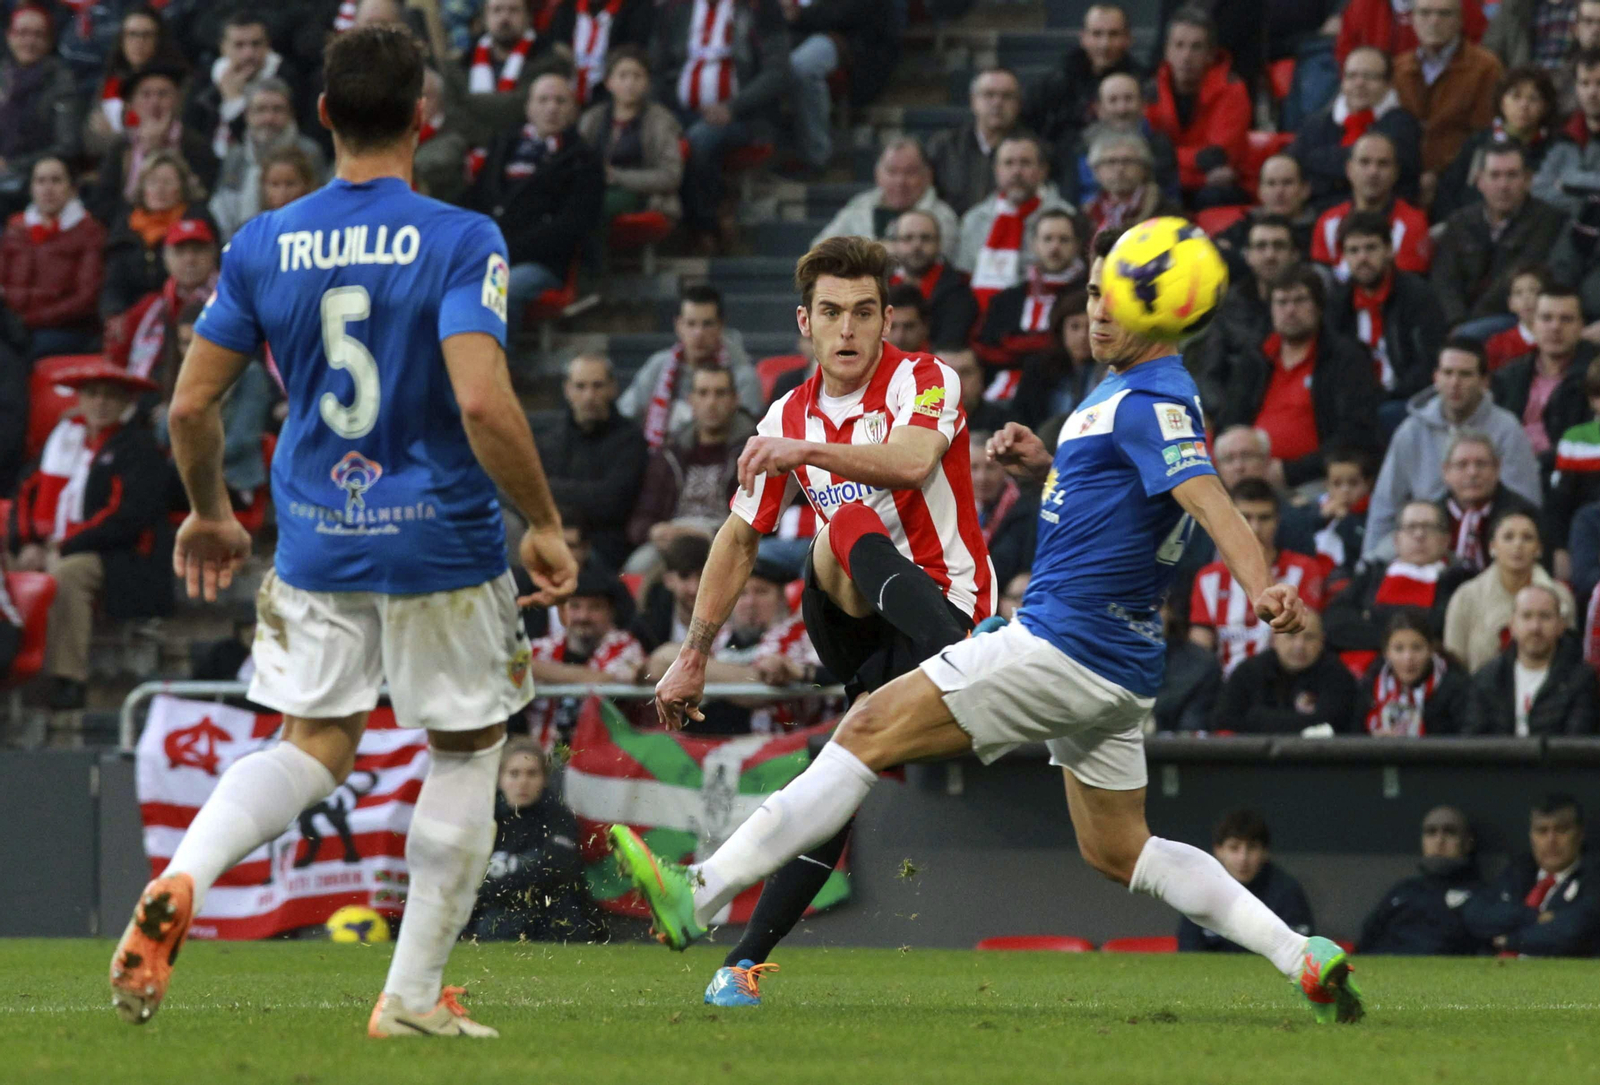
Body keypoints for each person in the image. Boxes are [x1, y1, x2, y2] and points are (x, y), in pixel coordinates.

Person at [614, 227, 1366, 1027]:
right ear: (806, 321)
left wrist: (1262, 584)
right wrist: (1049, 471)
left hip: (1051, 641)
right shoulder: (1124, 395)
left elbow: (1207, 495)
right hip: (1119, 666)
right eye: (1091, 295)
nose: (1097, 313)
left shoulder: (1142, 399)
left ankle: (701, 890)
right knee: (1119, 848)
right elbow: (1123, 503)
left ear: (1162, 310)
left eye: (1116, 299)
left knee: (860, 730)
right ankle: (1300, 952)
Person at [107, 26, 580, 1037]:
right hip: (442, 540)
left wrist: (210, 511)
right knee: (467, 747)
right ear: (424, 117)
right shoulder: (462, 237)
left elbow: (189, 407)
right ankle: (409, 997)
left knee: (313, 743)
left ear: (322, 115)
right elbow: (482, 400)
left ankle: (184, 873)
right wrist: (541, 520)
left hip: (318, 536)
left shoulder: (261, 243)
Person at [645, 236, 996, 1006]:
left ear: (887, 319)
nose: (848, 329)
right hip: (859, 619)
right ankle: (967, 660)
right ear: (805, 322)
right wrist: (694, 652)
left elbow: (910, 463)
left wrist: (805, 449)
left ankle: (739, 962)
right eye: (831, 312)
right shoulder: (786, 413)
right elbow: (739, 536)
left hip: (946, 604)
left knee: (840, 768)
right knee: (836, 537)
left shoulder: (924, 379)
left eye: (864, 312)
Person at [7, 359, 171, 714]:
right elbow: (27, 491)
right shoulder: (63, 441)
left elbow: (125, 518)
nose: (100, 403)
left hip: (122, 557)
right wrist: (28, 542)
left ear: (126, 403)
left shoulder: (138, 447)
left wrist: (64, 546)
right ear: (79, 399)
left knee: (68, 573)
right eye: (92, 394)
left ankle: (68, 680)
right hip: (56, 546)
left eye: (110, 396)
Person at [1364, 343, 1542, 564]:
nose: (1455, 383)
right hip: (1421, 540)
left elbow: (1525, 504)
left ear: (1484, 381)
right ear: (1436, 377)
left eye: (1465, 374)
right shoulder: (1411, 431)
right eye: (1448, 373)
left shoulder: (1507, 429)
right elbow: (1385, 505)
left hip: (1492, 543)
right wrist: (1367, 565)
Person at [1214, 266, 1382, 489]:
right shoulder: (1256, 357)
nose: (1290, 310)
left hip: (1317, 479)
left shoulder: (1346, 358)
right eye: (1282, 302)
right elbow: (1231, 419)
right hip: (1248, 477)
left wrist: (1289, 472)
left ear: (1319, 307)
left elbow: (1355, 433)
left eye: (1300, 300)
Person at [467, 69, 604, 341]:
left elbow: (569, 227)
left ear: (574, 110)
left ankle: (495, 367)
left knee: (497, 292)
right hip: (489, 254)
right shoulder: (503, 144)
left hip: (541, 263)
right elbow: (477, 199)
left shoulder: (584, 160)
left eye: (560, 101)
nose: (551, 108)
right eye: (543, 100)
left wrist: (505, 250)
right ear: (528, 107)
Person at [651, 0, 789, 249]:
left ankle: (705, 226)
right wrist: (663, 112)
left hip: (744, 116)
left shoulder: (761, 8)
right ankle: (687, 222)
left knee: (699, 139)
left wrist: (732, 107)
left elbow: (777, 72)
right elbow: (656, 67)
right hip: (679, 111)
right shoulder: (675, 9)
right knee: (656, 136)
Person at [466, 739, 605, 943]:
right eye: (514, 774)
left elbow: (558, 868)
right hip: (497, 913)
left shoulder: (559, 818)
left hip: (552, 915)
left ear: (545, 779)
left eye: (532, 774)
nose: (523, 782)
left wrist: (493, 882)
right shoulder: (484, 819)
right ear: (500, 778)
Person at [1189, 478, 1327, 676]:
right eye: (1245, 517)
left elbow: (1303, 636)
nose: (1254, 528)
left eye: (1264, 518)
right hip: (1222, 685)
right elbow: (1199, 649)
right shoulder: (1208, 578)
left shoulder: (1304, 570)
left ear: (1277, 521)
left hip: (1282, 680)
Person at [1431, 142, 1569, 329]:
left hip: (1512, 318)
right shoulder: (1460, 221)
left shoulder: (1548, 220)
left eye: (1512, 175)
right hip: (1459, 322)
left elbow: (1515, 276)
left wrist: (1469, 327)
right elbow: (1444, 279)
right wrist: (1456, 321)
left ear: (1527, 180)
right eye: (1494, 175)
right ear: (1479, 181)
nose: (1503, 185)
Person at [625, 365, 757, 561]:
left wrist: (709, 534)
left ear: (735, 400)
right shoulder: (669, 452)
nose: (711, 403)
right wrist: (654, 531)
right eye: (703, 393)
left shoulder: (754, 450)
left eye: (720, 393)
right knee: (638, 565)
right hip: (672, 541)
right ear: (690, 400)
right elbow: (641, 517)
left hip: (726, 541)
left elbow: (757, 519)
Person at [536, 353, 650, 570]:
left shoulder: (632, 440)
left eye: (597, 386)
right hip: (551, 537)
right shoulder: (550, 440)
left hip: (606, 548)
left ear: (613, 388)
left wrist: (550, 489)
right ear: (567, 389)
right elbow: (531, 494)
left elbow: (612, 503)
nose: (589, 395)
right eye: (580, 386)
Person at [1326, 211, 1445, 415]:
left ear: (1389, 250)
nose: (1362, 258)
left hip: (1407, 400)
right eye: (1353, 250)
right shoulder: (1338, 303)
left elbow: (1429, 362)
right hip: (1355, 402)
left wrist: (1386, 396)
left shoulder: (1418, 296)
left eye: (1371, 248)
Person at [1322, 500, 1461, 671]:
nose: (1419, 535)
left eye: (1429, 527)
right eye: (1411, 527)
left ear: (1446, 540)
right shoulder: (1371, 576)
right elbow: (1334, 623)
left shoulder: (1459, 582)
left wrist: (1369, 621)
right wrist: (1398, 640)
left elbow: (1438, 629)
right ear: (1396, 540)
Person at [1185, 215, 1301, 419]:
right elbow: (1208, 376)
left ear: (1295, 254)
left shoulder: (1313, 301)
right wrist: (1230, 419)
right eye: (1261, 246)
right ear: (1247, 255)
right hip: (1237, 414)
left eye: (1279, 246)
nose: (1270, 255)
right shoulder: (1228, 305)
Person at [618, 284, 764, 440]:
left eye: (707, 324)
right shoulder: (658, 366)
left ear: (721, 325)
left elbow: (750, 434)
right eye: (691, 323)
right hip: (662, 453)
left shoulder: (743, 377)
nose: (698, 333)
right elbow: (624, 414)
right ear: (678, 325)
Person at [1462, 794, 1600, 956]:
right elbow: (1475, 914)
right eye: (1542, 831)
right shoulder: (1520, 871)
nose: (1551, 840)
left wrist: (1511, 941)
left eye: (1561, 830)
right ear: (1531, 836)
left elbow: (1576, 929)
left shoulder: (1593, 877)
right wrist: (1534, 917)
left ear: (1580, 834)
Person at [1290, 46, 1423, 210]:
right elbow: (1294, 164)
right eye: (1351, 76)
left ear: (1388, 84)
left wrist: (1314, 159)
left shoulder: (1402, 123)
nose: (1359, 83)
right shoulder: (1317, 123)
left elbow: (1369, 163)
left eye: (1370, 77)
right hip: (1316, 213)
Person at [527, 564, 647, 743]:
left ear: (611, 612)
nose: (583, 616)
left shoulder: (625, 646)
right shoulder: (543, 649)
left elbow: (608, 680)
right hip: (541, 753)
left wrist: (535, 669)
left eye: (595, 608)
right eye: (574, 606)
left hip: (604, 752)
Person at [1144, 7, 1251, 208]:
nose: (1186, 56)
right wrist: (1197, 160)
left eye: (1196, 47)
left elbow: (1219, 157)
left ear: (1210, 54)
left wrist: (1169, 159)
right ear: (1167, 51)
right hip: (1178, 182)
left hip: (1217, 190)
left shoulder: (1232, 90)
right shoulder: (1149, 92)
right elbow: (1146, 155)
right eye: (1179, 45)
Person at [0, 157, 106, 358]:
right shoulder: (15, 228)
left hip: (64, 329)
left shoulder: (90, 232)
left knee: (16, 355)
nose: (47, 189)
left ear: (72, 189)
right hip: (12, 323)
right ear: (31, 188)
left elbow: (86, 299)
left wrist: (29, 319)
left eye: (56, 180)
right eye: (40, 181)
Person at [86, 66, 217, 228]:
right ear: (131, 104)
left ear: (178, 100)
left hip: (182, 228)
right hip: (130, 229)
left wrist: (157, 149)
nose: (154, 102)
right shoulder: (121, 146)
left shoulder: (196, 145)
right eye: (146, 95)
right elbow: (102, 202)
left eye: (163, 94)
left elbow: (203, 196)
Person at [955, 136, 1073, 315]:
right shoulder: (974, 220)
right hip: (982, 316)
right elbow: (964, 278)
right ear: (996, 170)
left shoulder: (1066, 218)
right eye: (1008, 163)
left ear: (1043, 170)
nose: (1016, 171)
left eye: (1025, 163)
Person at [1444, 510, 1575, 670]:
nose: (1517, 544)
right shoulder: (1466, 597)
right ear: (1492, 547)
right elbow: (1454, 664)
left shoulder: (1560, 595)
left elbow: (1569, 658)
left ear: (1539, 549)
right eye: (1508, 537)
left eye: (1527, 538)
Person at [1393, 0, 1505, 185]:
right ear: (1413, 19)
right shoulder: (1399, 68)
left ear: (1460, 20)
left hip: (1461, 179)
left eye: (1444, 14)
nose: (1434, 21)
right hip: (1403, 178)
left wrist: (1439, 175)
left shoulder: (1486, 68)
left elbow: (1484, 134)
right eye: (1425, 13)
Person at [106, 218, 219, 395]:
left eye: (198, 251)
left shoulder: (233, 302)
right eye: (180, 252)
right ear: (166, 259)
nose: (190, 259)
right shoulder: (150, 307)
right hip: (149, 396)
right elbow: (117, 357)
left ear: (213, 255)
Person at [1465, 583, 1599, 733]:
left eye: (1545, 616)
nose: (1535, 627)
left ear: (1561, 626)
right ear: (1512, 625)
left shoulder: (1581, 680)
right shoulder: (1487, 678)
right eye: (1527, 616)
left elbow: (1577, 740)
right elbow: (1473, 739)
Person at [99, 151, 215, 324]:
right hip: (133, 315)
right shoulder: (125, 224)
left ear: (182, 187)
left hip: (185, 311)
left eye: (167, 182)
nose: (160, 189)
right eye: (152, 182)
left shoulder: (197, 223)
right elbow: (114, 283)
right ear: (142, 187)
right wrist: (114, 312)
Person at [1176, 811, 1315, 953]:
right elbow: (1188, 951)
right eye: (1234, 848)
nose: (1243, 858)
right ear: (1219, 851)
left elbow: (1301, 952)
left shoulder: (1287, 892)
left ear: (1265, 852)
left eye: (1252, 847)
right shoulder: (1201, 889)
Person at [1434, 66, 1561, 220]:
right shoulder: (1478, 143)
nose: (1523, 105)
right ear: (1502, 101)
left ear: (1546, 106)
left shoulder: (1554, 149)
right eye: (1516, 96)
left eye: (1533, 99)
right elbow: (1447, 192)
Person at [780, 0, 893, 173]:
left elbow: (847, 12)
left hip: (844, 38)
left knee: (802, 68)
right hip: (790, 31)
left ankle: (816, 154)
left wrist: (799, 14)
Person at [576, 47, 684, 228]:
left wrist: (616, 176)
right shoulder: (592, 118)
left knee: (593, 205)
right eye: (623, 76)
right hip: (594, 188)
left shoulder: (661, 120)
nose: (630, 83)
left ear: (647, 82)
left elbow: (671, 176)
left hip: (645, 197)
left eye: (637, 76)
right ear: (608, 82)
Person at [208, 80, 329, 240]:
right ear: (247, 115)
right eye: (261, 110)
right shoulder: (236, 157)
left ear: (290, 114)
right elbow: (221, 209)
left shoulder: (309, 152)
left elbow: (322, 205)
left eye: (277, 110)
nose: (269, 118)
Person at [1356, 805, 1483, 955]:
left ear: (1468, 842)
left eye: (1449, 832)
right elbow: (1365, 942)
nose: (1439, 840)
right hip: (1386, 960)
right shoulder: (1403, 891)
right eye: (1431, 832)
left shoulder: (1479, 896)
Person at [1491, 285, 1595, 466]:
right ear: (1533, 324)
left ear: (1581, 326)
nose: (1555, 327)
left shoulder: (1594, 377)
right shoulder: (1508, 375)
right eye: (1546, 318)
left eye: (1566, 319)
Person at [1210, 611, 1359, 734]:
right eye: (1291, 636)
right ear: (1274, 639)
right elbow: (1224, 720)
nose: (1299, 645)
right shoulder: (1249, 672)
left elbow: (1332, 724)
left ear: (1322, 641)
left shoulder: (1337, 675)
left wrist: (1258, 718)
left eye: (1309, 637)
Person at [184, 10, 303, 164]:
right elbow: (192, 127)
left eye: (256, 44)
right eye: (239, 45)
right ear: (223, 47)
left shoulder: (286, 77)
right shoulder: (207, 77)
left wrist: (233, 100)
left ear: (268, 45)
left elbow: (259, 140)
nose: (248, 54)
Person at [973, 209, 1086, 372]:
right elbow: (986, 345)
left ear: (1076, 246)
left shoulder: (1087, 296)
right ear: (1034, 245)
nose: (1055, 247)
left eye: (1064, 240)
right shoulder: (1007, 299)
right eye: (1047, 239)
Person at [812, 138, 960, 259]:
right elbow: (819, 249)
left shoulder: (943, 216)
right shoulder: (860, 205)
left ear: (928, 175)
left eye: (910, 172)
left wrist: (869, 251)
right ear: (878, 174)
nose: (900, 181)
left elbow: (939, 260)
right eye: (892, 171)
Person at [1310, 132, 1432, 277]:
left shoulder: (1413, 224)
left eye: (1383, 164)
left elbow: (1410, 285)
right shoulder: (1328, 222)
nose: (1373, 172)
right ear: (1349, 169)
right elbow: (1321, 281)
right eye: (1364, 162)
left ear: (1395, 172)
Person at [1022, 4, 1139, 153]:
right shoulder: (1056, 83)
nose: (1104, 44)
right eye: (1097, 34)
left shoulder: (1142, 82)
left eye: (1113, 34)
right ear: (1083, 38)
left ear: (1128, 38)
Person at [1057, 72, 1181, 208]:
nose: (1122, 109)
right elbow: (1069, 201)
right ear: (1098, 108)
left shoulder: (1160, 146)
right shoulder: (1080, 148)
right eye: (1113, 100)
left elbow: (1170, 197)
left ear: (1143, 105)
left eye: (1129, 99)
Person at [0, 5, 80, 213]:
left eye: (38, 35)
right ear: (9, 36)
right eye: (22, 33)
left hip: (35, 180)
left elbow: (67, 146)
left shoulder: (61, 80)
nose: (29, 41)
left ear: (49, 40)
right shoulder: (3, 75)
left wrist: (11, 165)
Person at [83, 6, 189, 161]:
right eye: (132, 34)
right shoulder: (110, 83)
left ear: (159, 40)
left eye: (147, 35)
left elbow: (171, 137)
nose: (139, 42)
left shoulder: (177, 83)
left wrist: (115, 136)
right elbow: (91, 142)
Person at [1354, 610, 1474, 735]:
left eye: (1417, 648)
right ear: (1386, 653)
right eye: (1399, 649)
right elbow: (1354, 735)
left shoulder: (1456, 687)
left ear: (1431, 650)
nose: (1408, 658)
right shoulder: (1371, 685)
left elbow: (1466, 738)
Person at [927, 68, 1025, 216]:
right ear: (973, 101)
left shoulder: (1032, 150)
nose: (997, 102)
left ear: (1018, 104)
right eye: (989, 95)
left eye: (1007, 96)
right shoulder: (944, 146)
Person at [459, 0, 552, 141]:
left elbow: (521, 108)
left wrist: (469, 101)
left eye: (513, 10)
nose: (505, 17)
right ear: (484, 18)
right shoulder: (462, 62)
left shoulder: (547, 58)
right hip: (472, 144)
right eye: (497, 10)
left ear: (528, 17)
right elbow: (453, 115)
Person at [886, 209, 978, 346]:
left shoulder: (958, 290)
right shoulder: (882, 286)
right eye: (908, 238)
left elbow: (950, 345)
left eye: (925, 238)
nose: (917, 246)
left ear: (939, 243)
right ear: (895, 244)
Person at [1011, 289, 1100, 429]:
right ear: (1061, 329)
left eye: (1090, 327)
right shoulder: (1038, 368)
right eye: (1074, 327)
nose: (1083, 336)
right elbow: (1022, 417)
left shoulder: (1110, 369)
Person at [546, 0, 656, 106]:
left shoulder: (636, 8)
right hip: (569, 88)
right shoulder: (567, 8)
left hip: (609, 94)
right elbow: (555, 46)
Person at [1548, 357, 1600, 572]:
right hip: (1588, 536)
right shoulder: (1576, 440)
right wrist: (1560, 548)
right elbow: (1560, 502)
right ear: (1592, 399)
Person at [968, 428, 1037, 588]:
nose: (982, 477)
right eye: (973, 468)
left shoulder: (1025, 510)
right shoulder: (953, 508)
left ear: (1004, 468)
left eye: (990, 468)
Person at [1333, 0, 1488, 71]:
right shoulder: (1362, 5)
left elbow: (1477, 41)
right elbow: (1345, 51)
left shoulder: (1458, 4)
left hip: (1446, 88)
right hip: (1378, 93)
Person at [1535, 50, 1600, 217]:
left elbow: (1564, 181)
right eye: (1585, 83)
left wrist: (1566, 184)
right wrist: (1586, 203)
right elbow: (1539, 189)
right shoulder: (1563, 133)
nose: (1592, 92)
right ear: (1576, 87)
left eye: (1599, 83)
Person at [1079, 130, 1180, 235]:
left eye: (1127, 161)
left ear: (1144, 168)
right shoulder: (1086, 214)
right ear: (1096, 170)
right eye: (1111, 161)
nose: (1119, 168)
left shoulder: (1167, 212)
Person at [631, 532, 711, 651]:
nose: (694, 588)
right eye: (684, 577)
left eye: (702, 576)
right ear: (668, 580)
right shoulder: (648, 625)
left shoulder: (732, 618)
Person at [1154, 601, 1222, 731]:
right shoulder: (1111, 662)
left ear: (1169, 612)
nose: (1144, 615)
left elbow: (1190, 732)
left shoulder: (1200, 666)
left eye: (1154, 606)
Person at [413, 67, 470, 204]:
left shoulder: (454, 133)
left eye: (423, 96)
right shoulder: (395, 132)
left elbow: (433, 162)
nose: (415, 103)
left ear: (439, 98)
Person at [1484, 264, 1545, 370]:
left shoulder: (1559, 340)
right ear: (1510, 303)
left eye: (1533, 290)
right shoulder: (1497, 345)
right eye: (1518, 293)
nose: (1526, 298)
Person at [259, 146, 318, 213]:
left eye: (290, 184)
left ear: (306, 183)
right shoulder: (259, 219)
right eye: (275, 184)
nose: (282, 192)